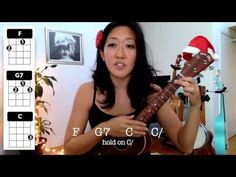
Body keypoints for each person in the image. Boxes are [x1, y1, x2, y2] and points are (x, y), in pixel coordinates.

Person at [64, 22, 201, 155]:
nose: (120, 54)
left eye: (129, 46)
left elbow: (185, 146)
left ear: (138, 54)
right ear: (102, 53)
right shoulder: (87, 92)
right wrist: (105, 129)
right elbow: (70, 148)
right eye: (112, 44)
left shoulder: (153, 93)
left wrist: (195, 105)